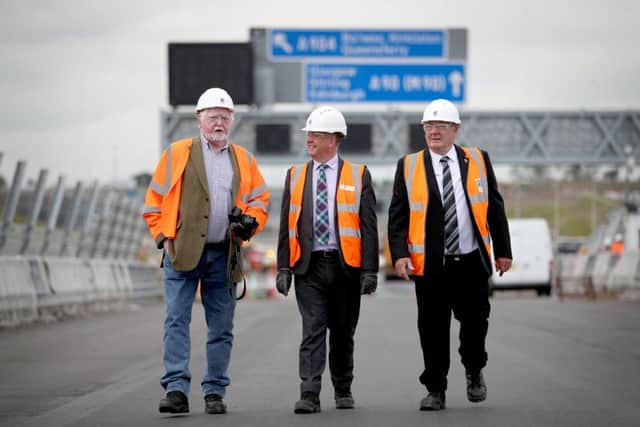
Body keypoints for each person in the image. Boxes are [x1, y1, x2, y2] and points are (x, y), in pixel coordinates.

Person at [142, 87, 270, 415]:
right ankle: (175, 389)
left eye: (224, 117)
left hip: (222, 255)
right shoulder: (177, 154)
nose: (219, 122)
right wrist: (161, 237)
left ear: (232, 121)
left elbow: (260, 199)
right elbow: (154, 201)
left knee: (222, 326)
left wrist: (250, 221)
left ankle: (214, 390)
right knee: (175, 319)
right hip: (181, 251)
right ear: (199, 119)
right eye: (212, 116)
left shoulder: (243, 159)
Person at [387, 99, 512, 411]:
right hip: (430, 264)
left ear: (455, 129)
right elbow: (398, 216)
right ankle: (435, 389)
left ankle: (474, 369)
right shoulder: (409, 165)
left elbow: (494, 207)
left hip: (471, 260)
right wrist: (399, 254)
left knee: (475, 322)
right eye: (429, 126)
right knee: (432, 328)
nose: (434, 131)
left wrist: (503, 251)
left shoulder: (478, 160)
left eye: (440, 126)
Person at [275, 106, 379, 414]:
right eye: (308, 134)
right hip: (308, 266)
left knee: (343, 330)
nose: (309, 140)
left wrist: (370, 270)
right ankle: (309, 392)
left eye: (315, 135)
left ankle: (343, 387)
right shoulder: (294, 176)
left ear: (333, 139)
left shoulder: (358, 175)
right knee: (313, 328)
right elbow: (286, 224)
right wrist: (283, 267)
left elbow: (369, 226)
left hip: (346, 265)